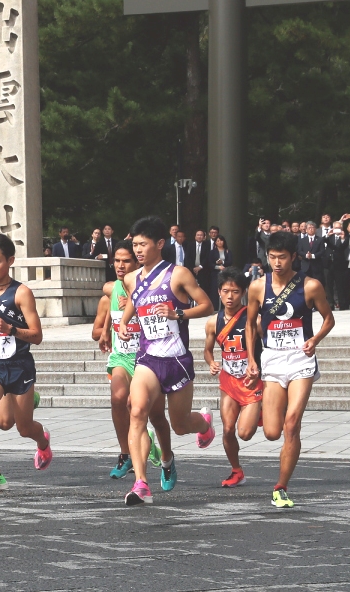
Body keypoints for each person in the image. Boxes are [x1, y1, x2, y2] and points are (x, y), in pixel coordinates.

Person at [118, 216, 215, 506]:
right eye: (134, 245)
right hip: (148, 357)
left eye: (143, 244)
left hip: (177, 360)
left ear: (160, 244)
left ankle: (204, 425)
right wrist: (124, 322)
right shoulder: (130, 278)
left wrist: (178, 314)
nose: (137, 250)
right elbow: (135, 299)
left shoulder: (178, 274)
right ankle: (141, 484)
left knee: (180, 424)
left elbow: (208, 305)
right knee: (136, 412)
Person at [245, 231, 335, 509]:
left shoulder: (310, 286)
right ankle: (269, 409)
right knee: (272, 432)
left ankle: (281, 487)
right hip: (272, 359)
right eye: (272, 257)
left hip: (300, 360)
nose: (277, 263)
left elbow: (329, 319)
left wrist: (314, 339)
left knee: (292, 423)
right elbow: (250, 325)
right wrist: (252, 359)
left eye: (282, 257)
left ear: (293, 256)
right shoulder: (258, 287)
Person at [0, 233, 53, 499]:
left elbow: (37, 336)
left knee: (18, 426)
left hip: (20, 368)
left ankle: (42, 440)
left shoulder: (22, 293)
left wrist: (11, 329)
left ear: (10, 261)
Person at [91, 240, 168, 480]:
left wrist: (137, 307)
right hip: (121, 357)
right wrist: (105, 330)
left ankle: (155, 450)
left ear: (137, 263)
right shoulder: (111, 289)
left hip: (146, 358)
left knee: (142, 411)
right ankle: (126, 454)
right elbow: (99, 326)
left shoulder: (148, 289)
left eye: (127, 261)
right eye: (117, 261)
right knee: (118, 398)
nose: (121, 266)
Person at [202, 267, 261, 489]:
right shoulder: (212, 322)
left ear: (243, 293)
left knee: (244, 433)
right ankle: (236, 471)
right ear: (218, 292)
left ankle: (265, 409)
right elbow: (207, 350)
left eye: (235, 291)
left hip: (251, 381)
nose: (230, 296)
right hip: (228, 380)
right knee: (228, 429)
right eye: (226, 291)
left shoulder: (252, 318)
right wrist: (212, 362)